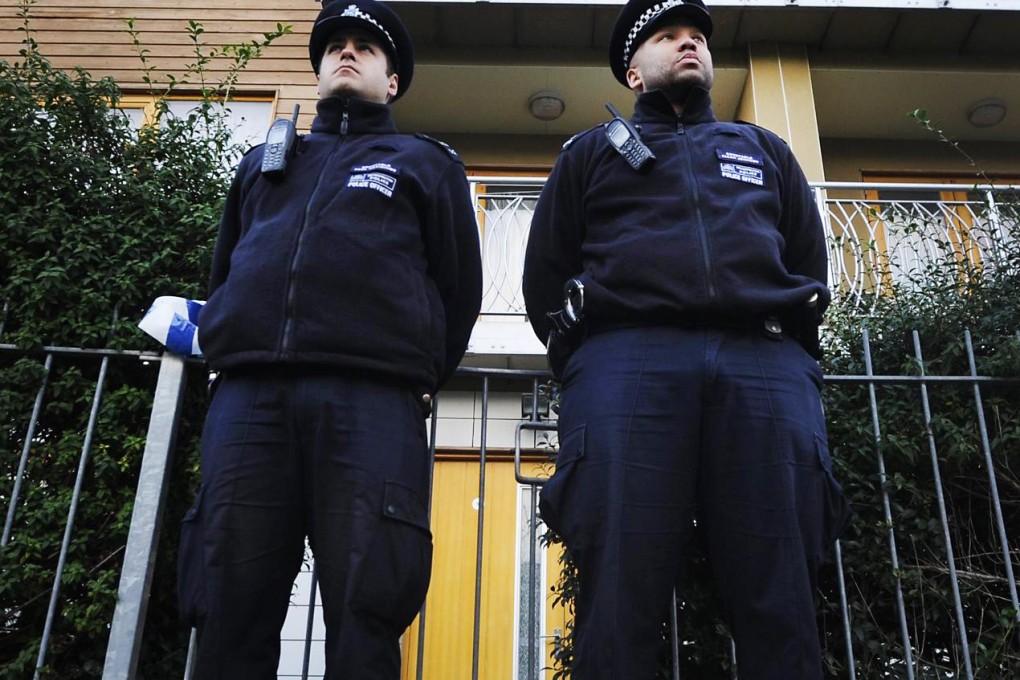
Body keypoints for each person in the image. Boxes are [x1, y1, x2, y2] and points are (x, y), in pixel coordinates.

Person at [522, 1, 851, 678]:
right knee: (618, 598)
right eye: (667, 37)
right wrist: (590, 359)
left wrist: (790, 354)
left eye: (697, 36)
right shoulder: (587, 155)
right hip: (627, 364)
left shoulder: (763, 150)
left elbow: (806, 262)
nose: (689, 44)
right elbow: (546, 279)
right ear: (633, 73)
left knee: (782, 595)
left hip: (763, 363)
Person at [176, 1, 482, 678]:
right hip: (250, 400)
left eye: (367, 48)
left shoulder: (425, 165)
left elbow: (458, 292)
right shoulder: (263, 163)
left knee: (366, 608)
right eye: (336, 44)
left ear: (393, 80)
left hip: (371, 402)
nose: (349, 52)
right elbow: (225, 268)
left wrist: (415, 371)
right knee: (226, 599)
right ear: (316, 68)